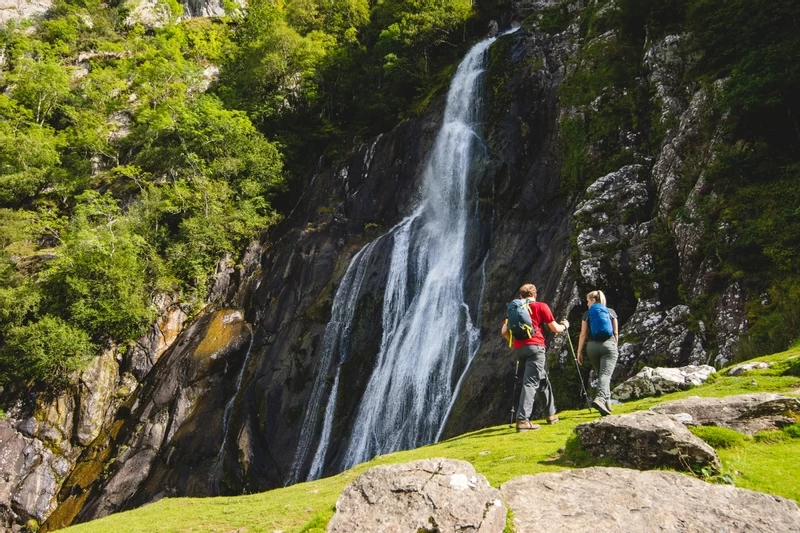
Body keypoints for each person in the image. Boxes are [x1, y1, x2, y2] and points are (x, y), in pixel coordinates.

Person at [501, 283, 569, 432]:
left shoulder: (515, 309)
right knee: (531, 382)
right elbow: (555, 329)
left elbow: (504, 331)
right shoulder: (541, 306)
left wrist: (515, 344)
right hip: (536, 348)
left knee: (542, 379)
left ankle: (551, 415)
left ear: (521, 296)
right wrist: (565, 325)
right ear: (535, 294)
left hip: (520, 349)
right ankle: (523, 420)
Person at [577, 290, 619, 416]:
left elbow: (583, 334)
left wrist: (579, 351)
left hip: (592, 347)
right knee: (605, 375)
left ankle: (607, 404)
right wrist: (614, 345)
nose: (587, 304)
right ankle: (601, 399)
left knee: (602, 374)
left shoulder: (587, 314)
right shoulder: (610, 312)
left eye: (588, 301)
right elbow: (616, 332)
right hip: (608, 345)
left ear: (593, 300)